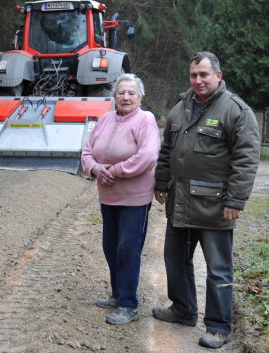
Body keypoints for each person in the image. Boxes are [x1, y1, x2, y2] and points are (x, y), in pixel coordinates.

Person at [152, 51, 260, 349]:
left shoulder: (235, 110)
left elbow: (246, 160)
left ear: (218, 76)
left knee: (218, 268)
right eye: (193, 75)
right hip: (180, 203)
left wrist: (235, 200)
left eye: (204, 75)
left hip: (215, 207)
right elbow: (166, 150)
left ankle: (218, 326)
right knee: (175, 260)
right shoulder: (180, 107)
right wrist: (161, 182)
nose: (198, 80)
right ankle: (183, 309)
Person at [81, 73, 160, 325]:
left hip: (134, 199)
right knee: (110, 247)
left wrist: (115, 170)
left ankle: (129, 303)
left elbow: (148, 156)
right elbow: (86, 151)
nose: (126, 97)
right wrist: (94, 168)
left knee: (128, 249)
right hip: (108, 197)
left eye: (131, 93)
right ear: (113, 96)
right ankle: (117, 294)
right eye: (121, 92)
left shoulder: (145, 120)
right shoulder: (105, 119)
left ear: (141, 96)